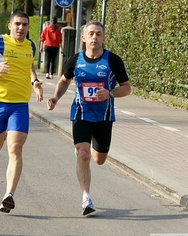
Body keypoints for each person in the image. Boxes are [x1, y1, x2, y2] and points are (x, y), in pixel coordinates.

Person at [47, 21, 131, 216]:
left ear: (104, 38)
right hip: (81, 112)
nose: (95, 37)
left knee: (99, 159)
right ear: (83, 37)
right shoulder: (75, 60)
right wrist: (56, 98)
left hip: (104, 116)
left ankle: (89, 152)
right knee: (83, 154)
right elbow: (64, 80)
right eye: (91, 34)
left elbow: (127, 88)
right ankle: (86, 197)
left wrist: (109, 93)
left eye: (99, 34)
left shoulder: (113, 61)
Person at [0, 11, 43, 214]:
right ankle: (1, 136)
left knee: (15, 149)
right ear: (10, 26)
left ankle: (8, 195)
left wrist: (35, 81)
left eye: (25, 25)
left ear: (29, 27)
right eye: (18, 24)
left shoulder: (30, 46)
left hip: (20, 105)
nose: (21, 28)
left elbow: (29, 65)